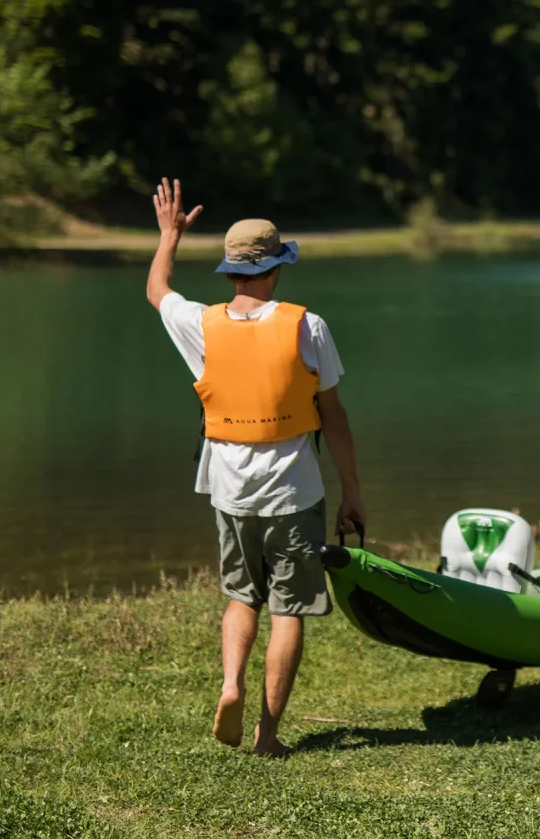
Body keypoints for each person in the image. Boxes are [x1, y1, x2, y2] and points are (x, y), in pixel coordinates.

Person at [146, 178, 366, 757]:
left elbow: (157, 290)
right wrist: (352, 492)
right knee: (289, 608)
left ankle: (228, 684)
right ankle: (268, 736)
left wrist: (169, 235)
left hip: (228, 488)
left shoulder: (200, 322)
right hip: (294, 489)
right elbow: (335, 420)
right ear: (277, 267)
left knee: (242, 595)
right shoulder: (306, 325)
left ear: (230, 270)